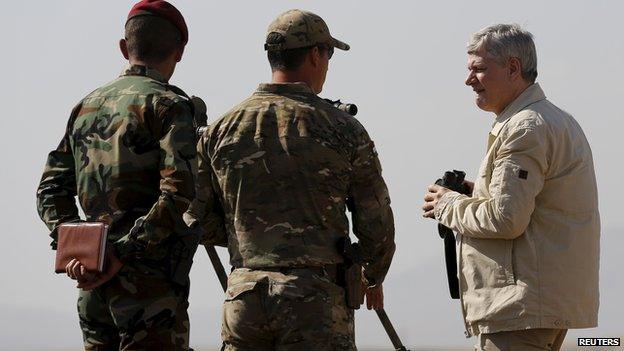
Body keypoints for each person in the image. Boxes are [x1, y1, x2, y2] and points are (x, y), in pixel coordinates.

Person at [186, 9, 396, 350]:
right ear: (315, 54)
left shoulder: (220, 131)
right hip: (316, 302)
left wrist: (251, 238)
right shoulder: (341, 128)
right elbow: (376, 222)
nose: (328, 63)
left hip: (244, 297)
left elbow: (197, 218)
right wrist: (372, 275)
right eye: (328, 54)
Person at [422, 24, 600, 351]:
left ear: (513, 68)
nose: (469, 80)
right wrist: (476, 193)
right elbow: (535, 203)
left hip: (520, 309)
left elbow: (506, 219)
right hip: (540, 305)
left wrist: (447, 205)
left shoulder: (524, 128)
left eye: (479, 69)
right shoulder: (555, 120)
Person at [36, 1, 200, 349]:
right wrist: (122, 253)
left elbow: (50, 189)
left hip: (93, 285)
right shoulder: (169, 105)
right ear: (180, 51)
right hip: (149, 289)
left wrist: (79, 253)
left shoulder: (86, 106)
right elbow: (178, 192)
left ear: (125, 48)